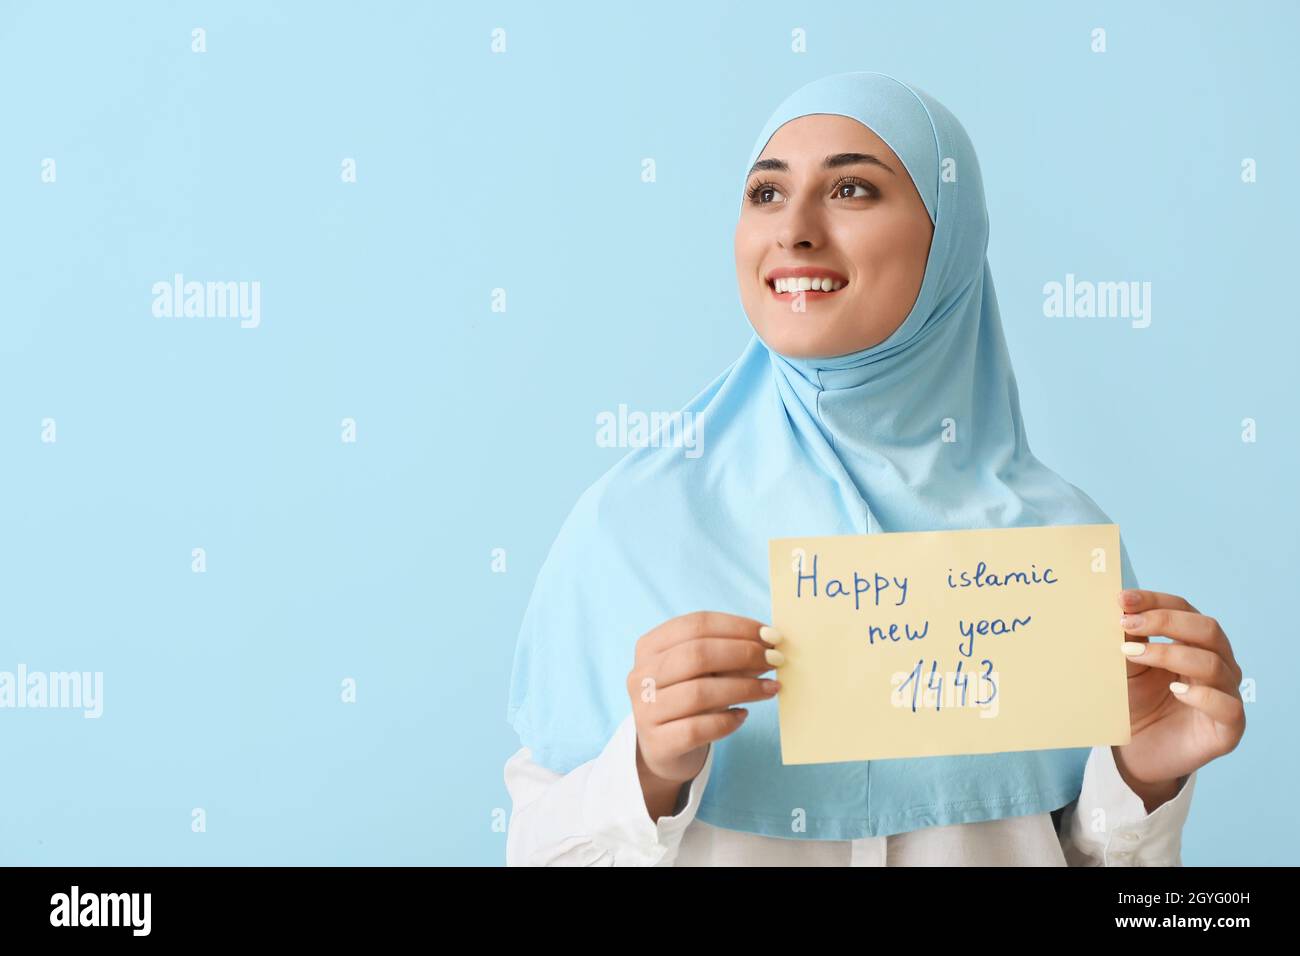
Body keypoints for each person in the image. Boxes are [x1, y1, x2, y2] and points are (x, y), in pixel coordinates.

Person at [503, 72, 1245, 866]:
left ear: (950, 235)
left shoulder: (1062, 544)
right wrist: (646, 775)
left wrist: (1141, 783)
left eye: (851, 188)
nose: (794, 230)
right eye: (765, 194)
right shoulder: (631, 528)